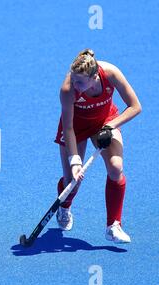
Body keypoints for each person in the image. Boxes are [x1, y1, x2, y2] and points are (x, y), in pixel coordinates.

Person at [54, 49, 141, 243]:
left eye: (80, 82)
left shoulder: (111, 73)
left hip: (105, 121)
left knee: (116, 168)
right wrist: (75, 161)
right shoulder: (68, 90)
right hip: (75, 127)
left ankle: (113, 226)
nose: (75, 85)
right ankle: (64, 207)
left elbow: (135, 106)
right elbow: (68, 127)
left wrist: (110, 126)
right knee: (72, 182)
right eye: (73, 79)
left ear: (94, 77)